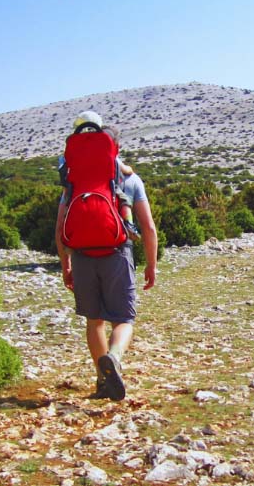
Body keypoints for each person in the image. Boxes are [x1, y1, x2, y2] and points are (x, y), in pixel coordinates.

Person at [55, 111, 158, 401]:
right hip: (117, 254)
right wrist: (151, 264)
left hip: (83, 255)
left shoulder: (73, 178)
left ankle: (103, 380)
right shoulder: (130, 179)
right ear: (115, 146)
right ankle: (114, 357)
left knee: (94, 320)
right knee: (124, 319)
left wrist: (66, 263)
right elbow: (148, 226)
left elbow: (60, 224)